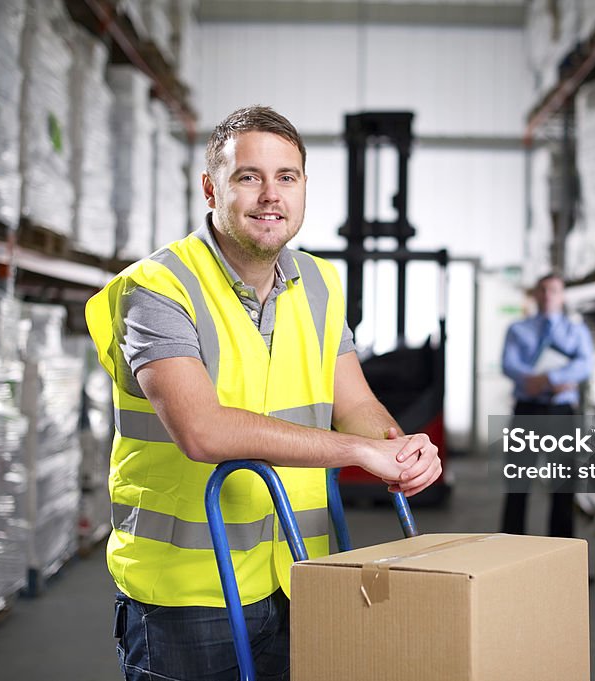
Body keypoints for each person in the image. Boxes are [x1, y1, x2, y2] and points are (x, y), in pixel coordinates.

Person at [85, 106, 441, 681]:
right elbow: (203, 431)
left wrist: (397, 448)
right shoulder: (156, 288)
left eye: (287, 177)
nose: (270, 195)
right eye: (248, 176)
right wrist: (355, 453)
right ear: (211, 188)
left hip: (302, 571)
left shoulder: (321, 283)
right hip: (191, 594)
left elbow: (355, 405)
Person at [500, 273, 593, 538]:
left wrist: (548, 378)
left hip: (561, 414)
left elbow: (585, 365)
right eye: (543, 289)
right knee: (517, 484)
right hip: (527, 411)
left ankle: (563, 558)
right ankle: (510, 550)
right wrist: (539, 380)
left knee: (563, 486)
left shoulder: (576, 331)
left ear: (562, 296)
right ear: (535, 294)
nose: (548, 295)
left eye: (554, 290)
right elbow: (510, 363)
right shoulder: (518, 329)